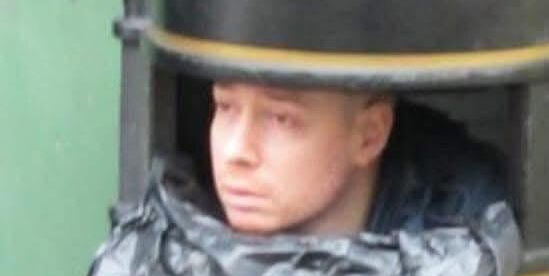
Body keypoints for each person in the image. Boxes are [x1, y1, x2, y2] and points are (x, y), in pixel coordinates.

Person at [206, 81, 509, 237]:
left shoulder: (460, 234)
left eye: (281, 119)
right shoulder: (189, 217)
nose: (236, 151)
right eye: (225, 106)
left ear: (369, 136)